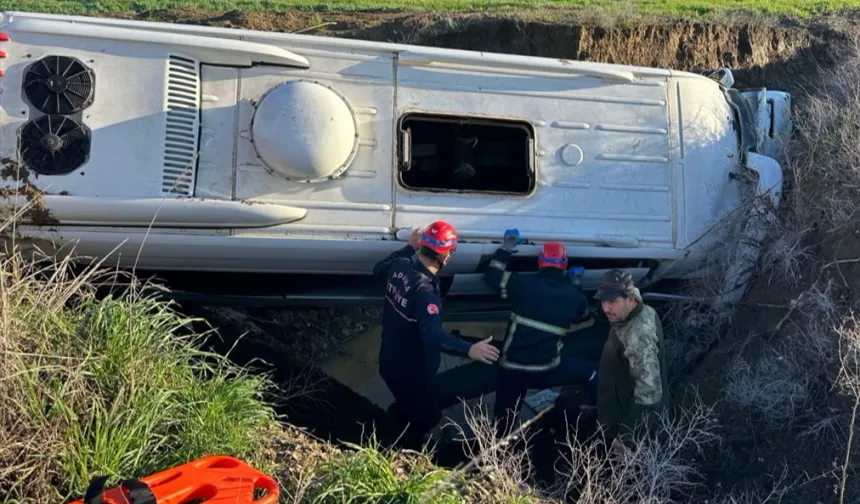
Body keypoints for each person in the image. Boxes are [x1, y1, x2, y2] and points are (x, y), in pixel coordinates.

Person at [373, 220, 500, 450]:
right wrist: (469, 349)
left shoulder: (400, 266)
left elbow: (379, 268)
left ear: (421, 246)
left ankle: (395, 419)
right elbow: (432, 335)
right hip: (413, 372)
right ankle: (406, 448)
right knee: (427, 416)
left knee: (406, 404)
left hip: (389, 360)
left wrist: (408, 247)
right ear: (446, 256)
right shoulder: (425, 291)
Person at [482, 229, 599, 436]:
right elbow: (584, 315)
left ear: (540, 262)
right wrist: (576, 284)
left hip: (512, 370)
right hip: (546, 371)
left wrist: (506, 248)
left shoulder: (522, 284)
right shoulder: (574, 296)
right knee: (592, 372)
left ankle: (497, 447)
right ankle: (601, 421)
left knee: (503, 426)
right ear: (565, 265)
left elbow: (491, 276)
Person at [589, 268, 670, 454]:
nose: (606, 308)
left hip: (632, 434)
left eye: (612, 302)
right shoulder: (640, 312)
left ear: (631, 299)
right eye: (603, 301)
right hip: (619, 413)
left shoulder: (638, 336)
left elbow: (649, 395)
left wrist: (627, 438)